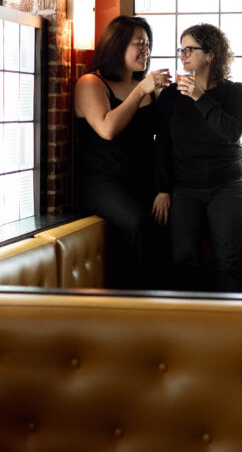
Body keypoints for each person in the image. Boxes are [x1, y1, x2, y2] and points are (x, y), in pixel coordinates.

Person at [74, 15, 172, 289]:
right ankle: (139, 308)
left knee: (174, 221)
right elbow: (107, 128)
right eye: (139, 43)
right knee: (139, 223)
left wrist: (165, 188)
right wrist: (140, 90)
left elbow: (168, 137)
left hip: (145, 179)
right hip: (104, 181)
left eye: (148, 44)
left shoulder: (151, 90)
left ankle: (171, 304)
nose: (146, 50)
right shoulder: (91, 83)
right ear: (117, 45)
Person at [155, 23, 242, 292]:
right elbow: (163, 143)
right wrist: (163, 189)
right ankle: (190, 330)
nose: (183, 55)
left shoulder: (235, 93)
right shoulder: (172, 96)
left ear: (210, 54)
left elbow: (231, 132)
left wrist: (200, 97)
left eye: (189, 49)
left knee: (226, 263)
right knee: (184, 262)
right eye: (181, 49)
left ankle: (229, 329)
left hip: (227, 186)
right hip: (185, 188)